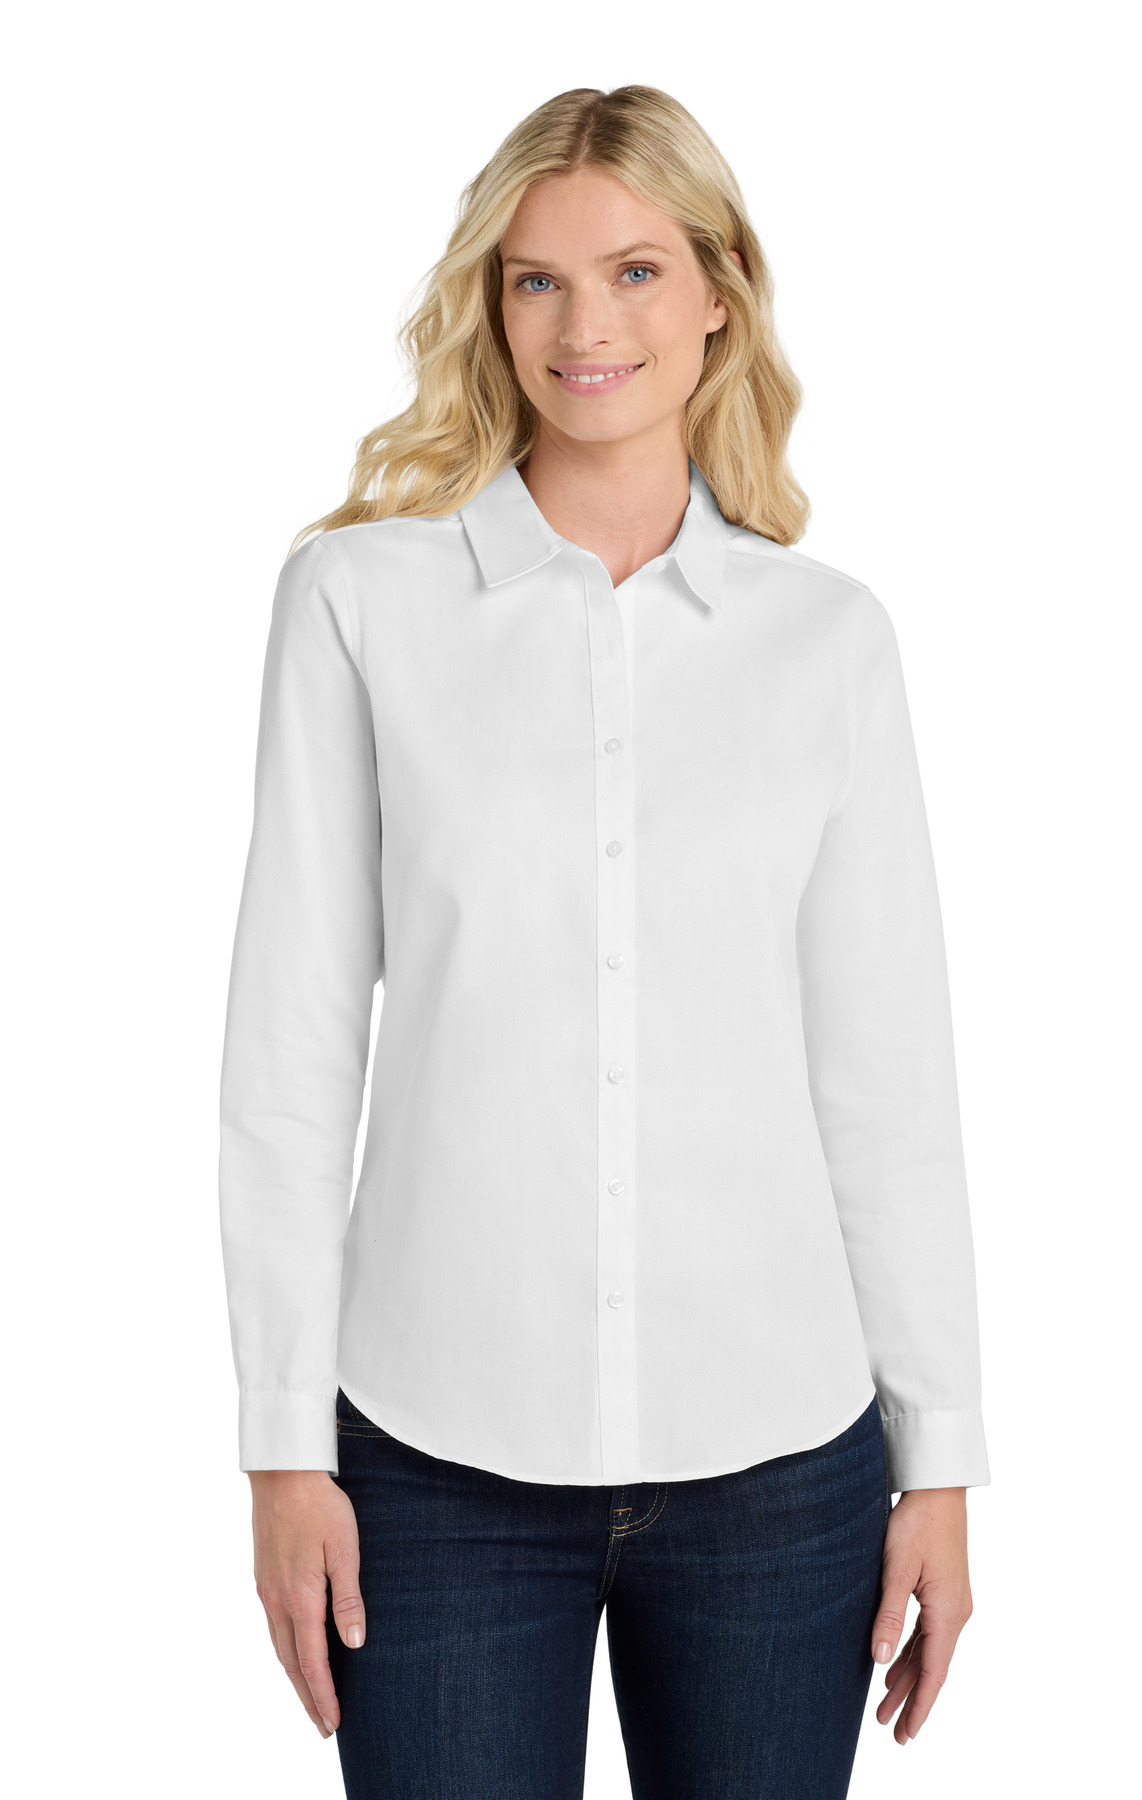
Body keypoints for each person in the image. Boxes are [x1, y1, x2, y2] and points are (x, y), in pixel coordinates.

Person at [218, 84, 991, 1800]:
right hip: (431, 1466)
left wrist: (940, 1458)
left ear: (719, 293)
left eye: (636, 271)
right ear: (492, 307)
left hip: (779, 1466)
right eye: (539, 281)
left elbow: (886, 1076)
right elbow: (289, 1053)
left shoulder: (829, 644)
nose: (588, 326)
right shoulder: (360, 605)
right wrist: (280, 1445)